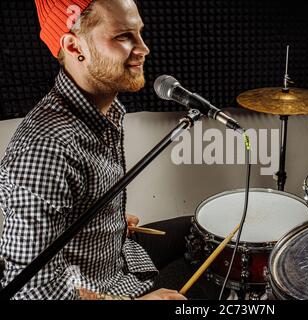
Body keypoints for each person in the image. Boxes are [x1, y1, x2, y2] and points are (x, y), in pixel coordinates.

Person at [0, 0, 188, 300]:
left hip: (118, 256)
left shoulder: (105, 109)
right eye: (123, 36)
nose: (143, 48)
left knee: (200, 230)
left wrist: (106, 218)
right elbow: (31, 292)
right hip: (103, 289)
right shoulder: (46, 148)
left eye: (139, 33)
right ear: (75, 48)